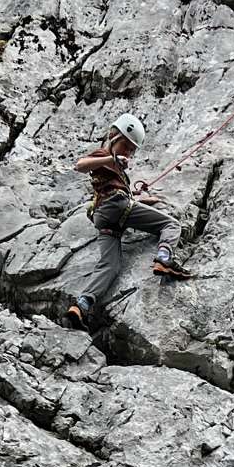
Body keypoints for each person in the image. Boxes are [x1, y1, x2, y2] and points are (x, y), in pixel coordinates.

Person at [64, 113, 187, 329]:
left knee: (110, 266)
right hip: (115, 206)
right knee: (171, 224)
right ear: (113, 135)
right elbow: (80, 165)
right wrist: (111, 159)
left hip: (106, 218)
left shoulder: (116, 169)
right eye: (126, 146)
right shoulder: (104, 154)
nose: (128, 152)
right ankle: (164, 258)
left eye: (132, 150)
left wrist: (144, 199)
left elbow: (120, 194)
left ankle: (82, 305)